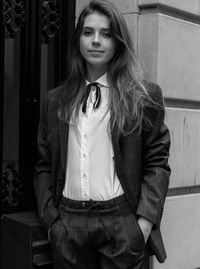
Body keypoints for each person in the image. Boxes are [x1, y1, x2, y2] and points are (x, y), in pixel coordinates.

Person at [33, 0, 171, 268]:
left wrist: (142, 225)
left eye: (106, 34)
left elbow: (157, 163)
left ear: (118, 41)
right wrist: (51, 221)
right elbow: (43, 165)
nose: (96, 41)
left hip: (121, 221)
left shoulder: (143, 97)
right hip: (68, 222)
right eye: (88, 32)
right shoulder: (56, 101)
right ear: (78, 40)